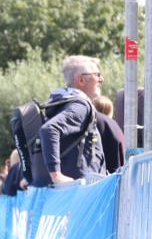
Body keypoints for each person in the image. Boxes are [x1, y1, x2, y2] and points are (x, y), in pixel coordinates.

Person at [37, 56, 107, 186]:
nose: (101, 79)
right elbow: (49, 129)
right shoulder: (81, 105)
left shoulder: (64, 102)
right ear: (81, 80)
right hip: (80, 190)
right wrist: (56, 175)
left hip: (71, 190)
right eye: (97, 75)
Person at [92, 95, 125, 174]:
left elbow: (93, 149)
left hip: (98, 177)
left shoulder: (94, 127)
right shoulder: (116, 128)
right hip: (116, 176)